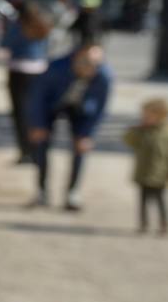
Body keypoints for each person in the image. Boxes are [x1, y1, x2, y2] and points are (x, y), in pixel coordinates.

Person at [28, 44, 113, 211]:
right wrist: (38, 125)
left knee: (80, 147)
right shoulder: (55, 69)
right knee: (41, 143)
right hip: (52, 105)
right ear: (75, 59)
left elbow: (100, 109)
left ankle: (73, 192)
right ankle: (41, 191)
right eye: (86, 64)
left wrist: (87, 134)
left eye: (96, 65)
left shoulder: (103, 76)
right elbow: (37, 98)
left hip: (81, 109)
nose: (91, 70)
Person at [124, 98, 168, 235]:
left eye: (147, 116)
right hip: (143, 173)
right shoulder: (143, 131)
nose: (144, 118)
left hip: (161, 174)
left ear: (161, 116)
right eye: (143, 116)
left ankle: (164, 224)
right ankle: (143, 223)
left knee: (161, 200)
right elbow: (128, 140)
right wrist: (136, 129)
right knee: (143, 200)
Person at [3, 0, 52, 163]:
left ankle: (25, 150)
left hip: (19, 70)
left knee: (20, 113)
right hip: (39, 69)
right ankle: (38, 148)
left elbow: (6, 43)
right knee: (36, 111)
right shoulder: (42, 24)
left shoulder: (18, 26)